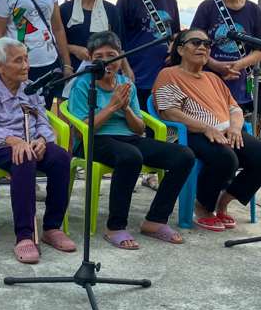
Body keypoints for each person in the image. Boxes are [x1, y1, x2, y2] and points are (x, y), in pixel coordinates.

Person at [67, 32, 195, 248]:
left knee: (183, 155)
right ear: (90, 58)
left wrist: (125, 107)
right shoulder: (82, 84)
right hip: (95, 140)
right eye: (100, 56)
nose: (107, 61)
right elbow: (82, 131)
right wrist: (112, 106)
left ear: (121, 57)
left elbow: (139, 128)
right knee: (130, 156)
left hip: (128, 138)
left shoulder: (127, 84)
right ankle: (115, 227)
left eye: (112, 55)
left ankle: (155, 220)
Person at [153, 29, 261, 231]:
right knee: (226, 158)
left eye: (207, 44)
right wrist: (205, 128)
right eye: (195, 42)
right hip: (191, 133)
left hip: (226, 130)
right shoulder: (169, 74)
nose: (202, 47)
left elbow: (234, 108)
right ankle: (203, 206)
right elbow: (170, 112)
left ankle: (223, 201)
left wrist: (236, 128)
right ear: (180, 49)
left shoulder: (213, 78)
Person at [0, 38, 75, 264]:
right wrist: (15, 141)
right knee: (24, 157)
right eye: (18, 60)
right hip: (1, 147)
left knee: (60, 157)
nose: (26, 65)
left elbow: (43, 121)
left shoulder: (31, 89)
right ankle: (24, 235)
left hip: (31, 142)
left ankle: (52, 228)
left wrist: (41, 140)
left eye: (26, 59)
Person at [190, 0, 261, 109]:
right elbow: (192, 43)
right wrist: (216, 65)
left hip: (239, 82)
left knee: (236, 126)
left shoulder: (253, 10)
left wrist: (238, 65)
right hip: (209, 79)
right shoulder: (207, 7)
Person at [116, 0, 181, 110]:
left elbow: (176, 34)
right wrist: (125, 68)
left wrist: (174, 47)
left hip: (164, 76)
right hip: (136, 74)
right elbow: (117, 38)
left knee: (163, 128)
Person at [59, 0, 123, 71]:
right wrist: (73, 49)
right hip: (72, 71)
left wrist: (126, 69)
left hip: (104, 72)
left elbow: (119, 45)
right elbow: (54, 42)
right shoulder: (64, 10)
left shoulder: (111, 10)